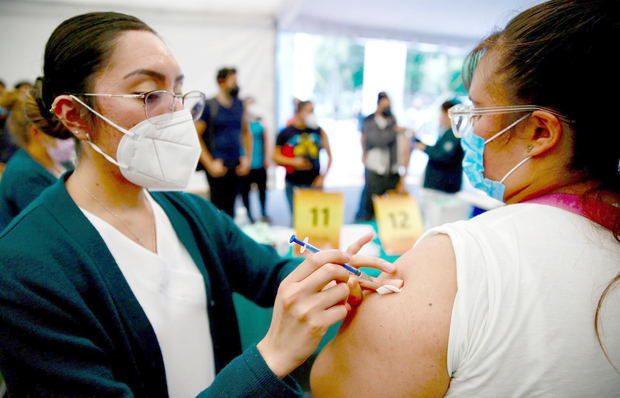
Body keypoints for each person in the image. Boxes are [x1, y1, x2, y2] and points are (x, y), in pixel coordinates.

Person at [0, 12, 401, 397]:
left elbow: (269, 272)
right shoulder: (25, 268)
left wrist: (332, 271)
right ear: (75, 115)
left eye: (177, 92)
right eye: (147, 94)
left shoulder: (187, 214)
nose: (176, 113)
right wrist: (273, 355)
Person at [311, 1, 620, 396]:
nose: (469, 129)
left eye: (478, 110)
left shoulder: (458, 261)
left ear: (540, 132)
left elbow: (334, 385)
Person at [0, 88, 75, 229]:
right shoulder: (23, 173)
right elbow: (51, 224)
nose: (69, 137)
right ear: (36, 132)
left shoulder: (57, 162)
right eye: (60, 130)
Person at [195, 67, 251, 218]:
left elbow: (246, 132)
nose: (236, 85)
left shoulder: (240, 104)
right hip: (217, 164)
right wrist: (209, 163)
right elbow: (196, 136)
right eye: (233, 81)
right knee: (216, 208)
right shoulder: (209, 106)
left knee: (231, 208)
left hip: (235, 164)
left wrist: (247, 158)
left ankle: (228, 239)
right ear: (221, 82)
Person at [354, 91, 410, 221]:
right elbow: (378, 140)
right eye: (385, 107)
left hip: (392, 172)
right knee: (369, 206)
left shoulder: (393, 121)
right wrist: (395, 130)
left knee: (391, 208)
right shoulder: (370, 122)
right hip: (375, 171)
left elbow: (404, 148)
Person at [274, 100, 332, 215]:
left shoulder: (318, 131)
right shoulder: (286, 133)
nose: (312, 114)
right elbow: (275, 156)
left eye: (313, 111)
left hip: (313, 182)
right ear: (299, 112)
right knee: (297, 218)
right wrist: (294, 162)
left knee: (312, 218)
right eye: (309, 111)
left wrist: (322, 177)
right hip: (293, 182)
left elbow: (330, 156)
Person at [413, 99, 464, 193]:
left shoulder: (453, 135)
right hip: (439, 187)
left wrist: (424, 148)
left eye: (442, 114)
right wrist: (417, 140)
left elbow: (442, 156)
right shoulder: (446, 133)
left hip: (443, 187)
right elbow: (438, 150)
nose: (440, 117)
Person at [239, 97, 271, 223]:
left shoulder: (261, 123)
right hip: (246, 163)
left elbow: (267, 141)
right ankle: (250, 215)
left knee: (262, 190)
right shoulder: (242, 123)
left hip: (259, 162)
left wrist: (267, 158)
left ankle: (263, 212)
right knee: (245, 191)